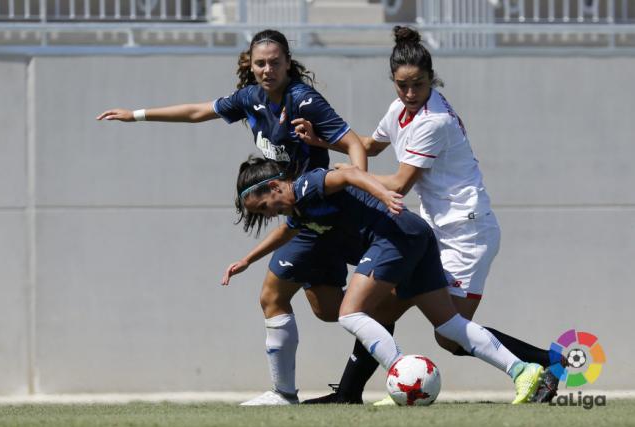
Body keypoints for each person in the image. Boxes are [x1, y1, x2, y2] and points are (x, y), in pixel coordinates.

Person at [97, 29, 371, 405]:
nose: (268, 69)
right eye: (260, 63)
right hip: (305, 219)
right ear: (250, 65)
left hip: (324, 213)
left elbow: (355, 142)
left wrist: (361, 180)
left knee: (273, 296)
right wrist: (136, 115)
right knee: (329, 311)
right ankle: (384, 317)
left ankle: (285, 393)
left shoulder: (303, 100)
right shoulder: (251, 98)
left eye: (275, 62)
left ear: (288, 63)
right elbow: (197, 112)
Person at [292, 26, 559, 405]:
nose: (410, 93)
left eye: (418, 84)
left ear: (431, 78)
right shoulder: (400, 109)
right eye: (402, 85)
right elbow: (370, 145)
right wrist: (322, 140)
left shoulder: (434, 121)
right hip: (435, 228)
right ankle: (349, 393)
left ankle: (546, 365)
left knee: (449, 334)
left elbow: (398, 185)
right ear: (394, 82)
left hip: (467, 232)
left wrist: (344, 178)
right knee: (385, 306)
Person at [223, 156, 544, 405]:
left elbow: (349, 174)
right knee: (448, 325)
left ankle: (403, 374)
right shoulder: (300, 210)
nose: (269, 213)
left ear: (277, 186)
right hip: (415, 234)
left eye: (266, 206)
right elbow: (287, 231)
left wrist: (384, 195)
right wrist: (248, 260)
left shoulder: (308, 185)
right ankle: (524, 371)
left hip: (394, 236)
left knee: (350, 312)